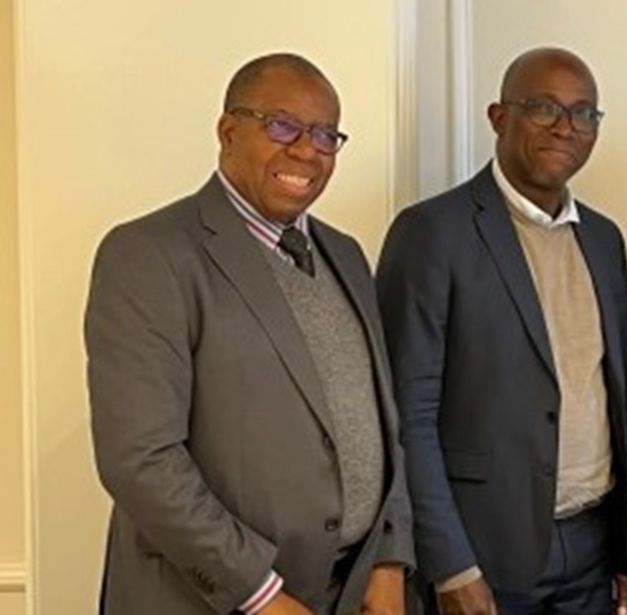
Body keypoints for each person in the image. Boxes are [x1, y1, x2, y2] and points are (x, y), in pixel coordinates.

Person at [86, 53, 413, 614]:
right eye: (282, 126)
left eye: (326, 135)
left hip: (349, 592)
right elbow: (140, 459)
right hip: (213, 599)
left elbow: (383, 423)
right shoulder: (149, 254)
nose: (307, 150)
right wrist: (261, 594)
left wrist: (387, 558)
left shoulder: (346, 255)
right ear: (228, 131)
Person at [376, 47, 627, 615]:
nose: (565, 127)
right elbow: (407, 416)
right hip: (484, 552)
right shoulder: (432, 233)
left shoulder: (604, 240)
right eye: (544, 107)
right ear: (499, 117)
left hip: (595, 548)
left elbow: (620, 406)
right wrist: (451, 565)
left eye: (583, 113)